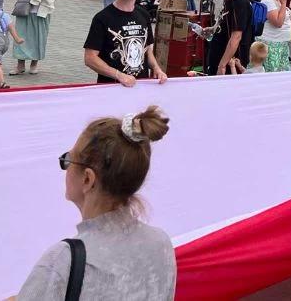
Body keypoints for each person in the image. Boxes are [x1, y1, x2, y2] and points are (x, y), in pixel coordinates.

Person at [14, 105, 176, 300]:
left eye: (69, 160)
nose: (66, 167)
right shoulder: (161, 244)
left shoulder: (62, 262)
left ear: (88, 179)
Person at [83, 0, 169, 86]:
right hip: (111, 89)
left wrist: (156, 68)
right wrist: (118, 75)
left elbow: (147, 49)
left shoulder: (143, 14)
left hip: (141, 87)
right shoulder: (102, 18)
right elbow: (90, 58)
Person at [203, 0, 254, 76]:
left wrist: (222, 65)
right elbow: (225, 21)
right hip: (218, 52)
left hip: (230, 61)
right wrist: (213, 29)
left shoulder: (240, 3)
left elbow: (236, 37)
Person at [258, 0, 291, 73]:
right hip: (272, 44)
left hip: (282, 43)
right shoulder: (268, 1)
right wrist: (283, 4)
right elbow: (278, 23)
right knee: (272, 73)